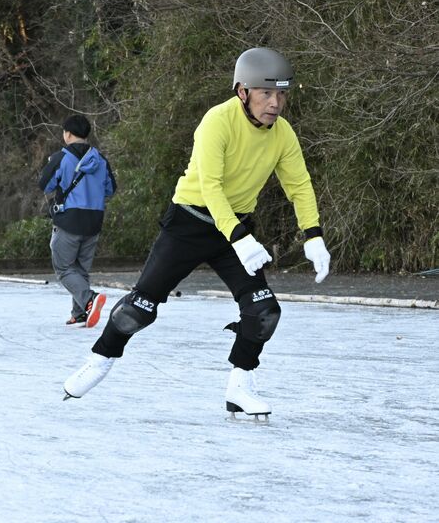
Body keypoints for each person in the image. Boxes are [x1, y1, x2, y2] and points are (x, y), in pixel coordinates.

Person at [63, 48, 332, 419]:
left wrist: (313, 235)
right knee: (137, 310)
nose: (275, 103)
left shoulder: (282, 134)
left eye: (281, 94)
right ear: (243, 92)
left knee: (264, 311)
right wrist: (239, 237)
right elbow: (211, 186)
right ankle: (100, 359)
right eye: (266, 93)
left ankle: (240, 386)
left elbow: (299, 185)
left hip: (235, 230)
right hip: (189, 224)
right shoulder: (216, 122)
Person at [38, 114, 116, 328]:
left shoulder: (61, 158)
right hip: (94, 220)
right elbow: (110, 189)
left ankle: (90, 299)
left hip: (69, 220)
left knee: (63, 268)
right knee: (80, 269)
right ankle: (80, 313)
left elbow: (45, 185)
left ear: (68, 134)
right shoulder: (100, 159)